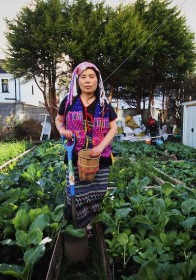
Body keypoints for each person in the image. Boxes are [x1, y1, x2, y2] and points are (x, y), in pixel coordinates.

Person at [55, 62, 117, 234]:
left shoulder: (104, 104)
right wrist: (62, 130)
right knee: (76, 193)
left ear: (98, 80)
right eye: (83, 77)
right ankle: (80, 225)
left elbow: (114, 128)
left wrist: (101, 146)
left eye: (92, 77)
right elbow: (59, 121)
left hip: (101, 158)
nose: (87, 81)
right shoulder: (68, 102)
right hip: (74, 155)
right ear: (77, 80)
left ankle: (90, 221)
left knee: (98, 191)